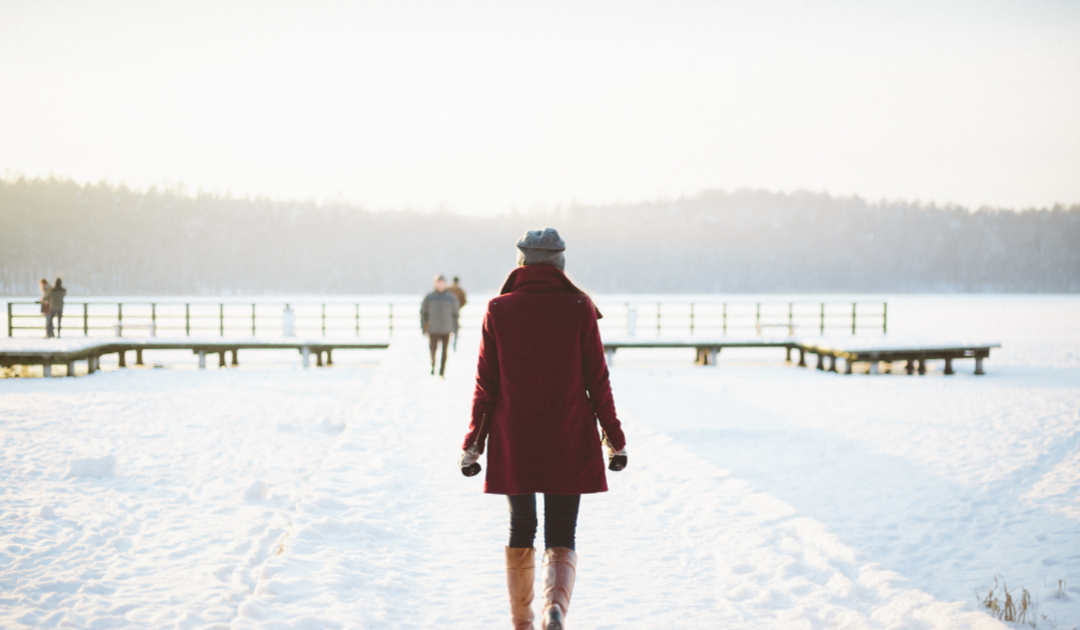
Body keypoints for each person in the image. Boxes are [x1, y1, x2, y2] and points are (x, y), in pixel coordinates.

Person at [458, 228, 628, 630]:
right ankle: (555, 609)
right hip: (569, 431)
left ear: (522, 263)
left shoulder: (499, 309)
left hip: (514, 434)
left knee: (521, 524)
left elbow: (487, 384)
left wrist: (473, 445)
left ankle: (522, 620)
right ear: (560, 264)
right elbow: (597, 380)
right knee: (561, 530)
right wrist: (614, 440)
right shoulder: (580, 307)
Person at [420, 274, 459, 377]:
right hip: (433, 329)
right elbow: (423, 312)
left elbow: (455, 314)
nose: (441, 285)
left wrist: (455, 329)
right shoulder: (429, 297)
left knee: (444, 352)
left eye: (443, 283)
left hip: (446, 329)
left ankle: (442, 371)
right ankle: (433, 365)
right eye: (439, 283)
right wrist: (423, 326)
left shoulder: (451, 297)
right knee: (433, 350)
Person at [447, 276, 467, 351]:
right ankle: (447, 344)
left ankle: (454, 345)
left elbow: (464, 301)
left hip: (456, 313)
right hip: (448, 313)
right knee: (447, 329)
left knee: (456, 329)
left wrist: (458, 307)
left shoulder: (460, 291)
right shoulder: (448, 290)